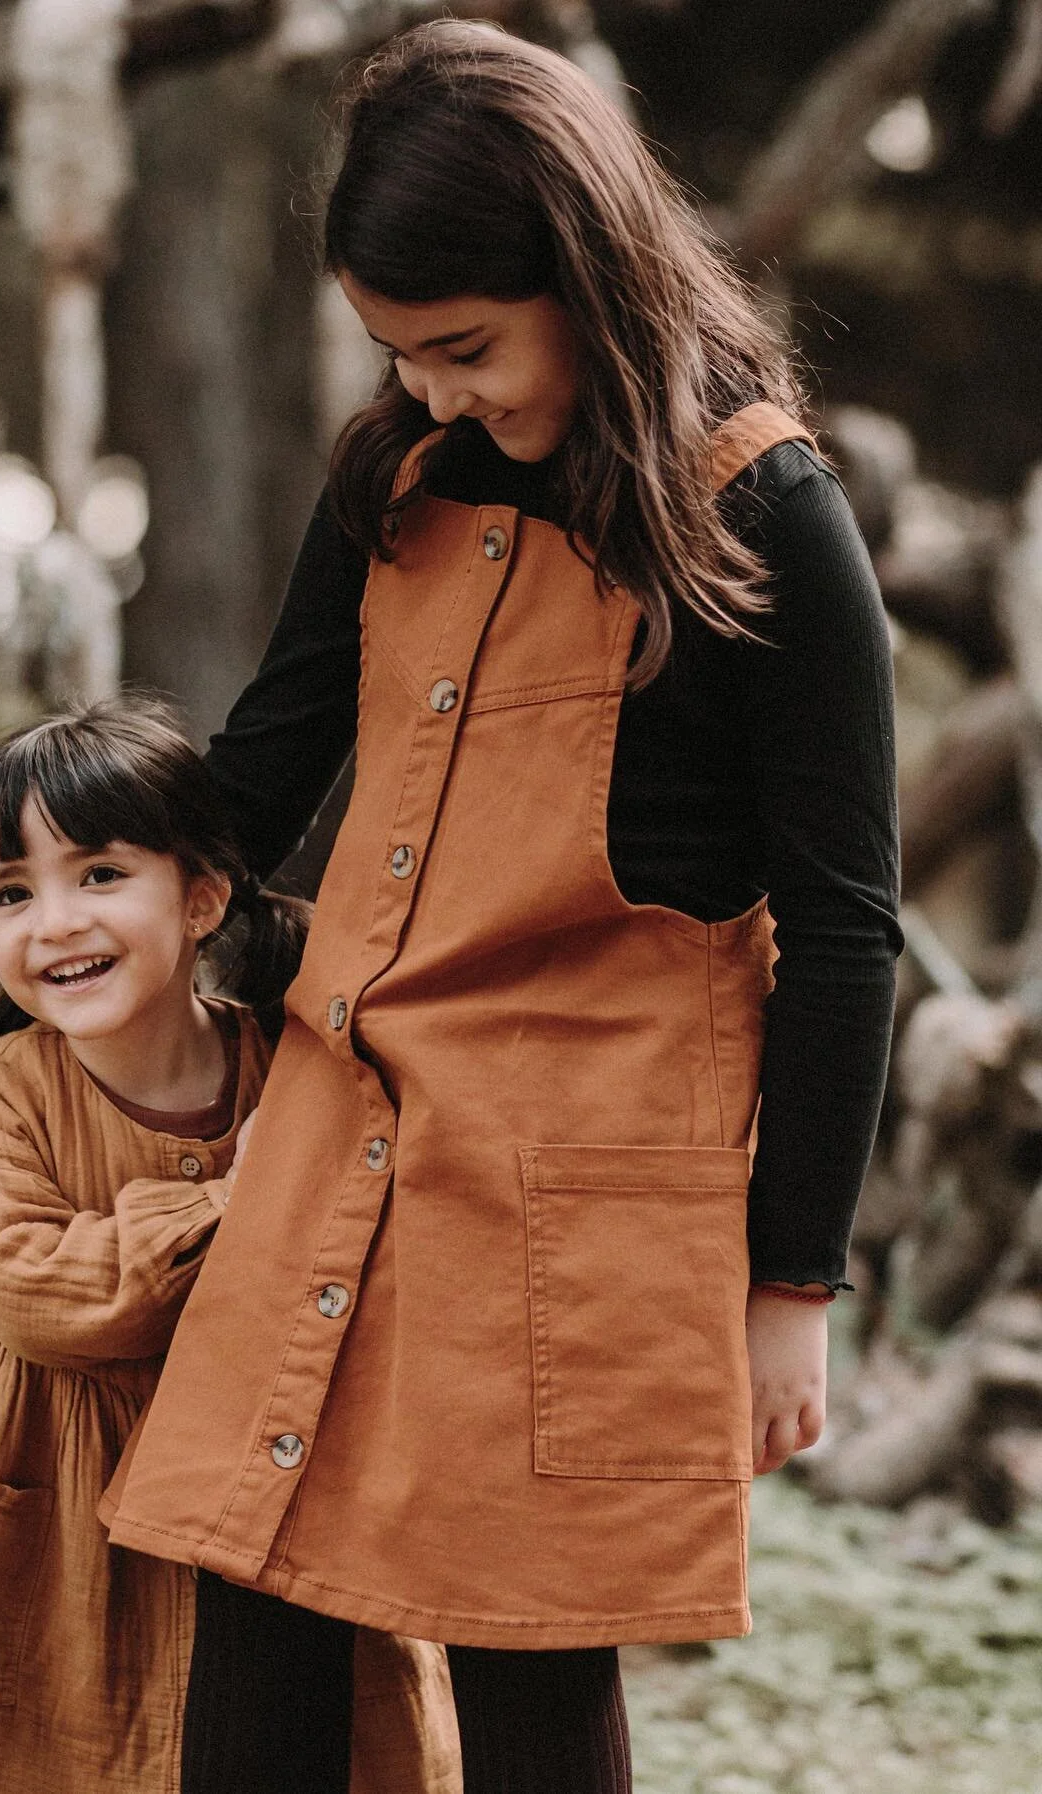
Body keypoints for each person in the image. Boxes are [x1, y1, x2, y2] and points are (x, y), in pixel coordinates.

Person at [102, 22, 902, 1794]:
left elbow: (849, 924)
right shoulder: (394, 482)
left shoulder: (768, 513)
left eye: (465, 347)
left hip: (575, 1204)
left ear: (589, 275)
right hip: (338, 1141)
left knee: (524, 1661)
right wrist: (70, 884)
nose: (439, 391)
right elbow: (258, 773)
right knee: (251, 1587)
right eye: (399, 352)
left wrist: (794, 1280)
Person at [0, 699, 463, 1794]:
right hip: (70, 1519)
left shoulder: (293, 1070)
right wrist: (238, 1202)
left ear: (200, 896)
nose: (53, 921)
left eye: (99, 874)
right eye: (11, 893)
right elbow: (41, 1294)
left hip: (286, 1490)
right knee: (83, 1753)